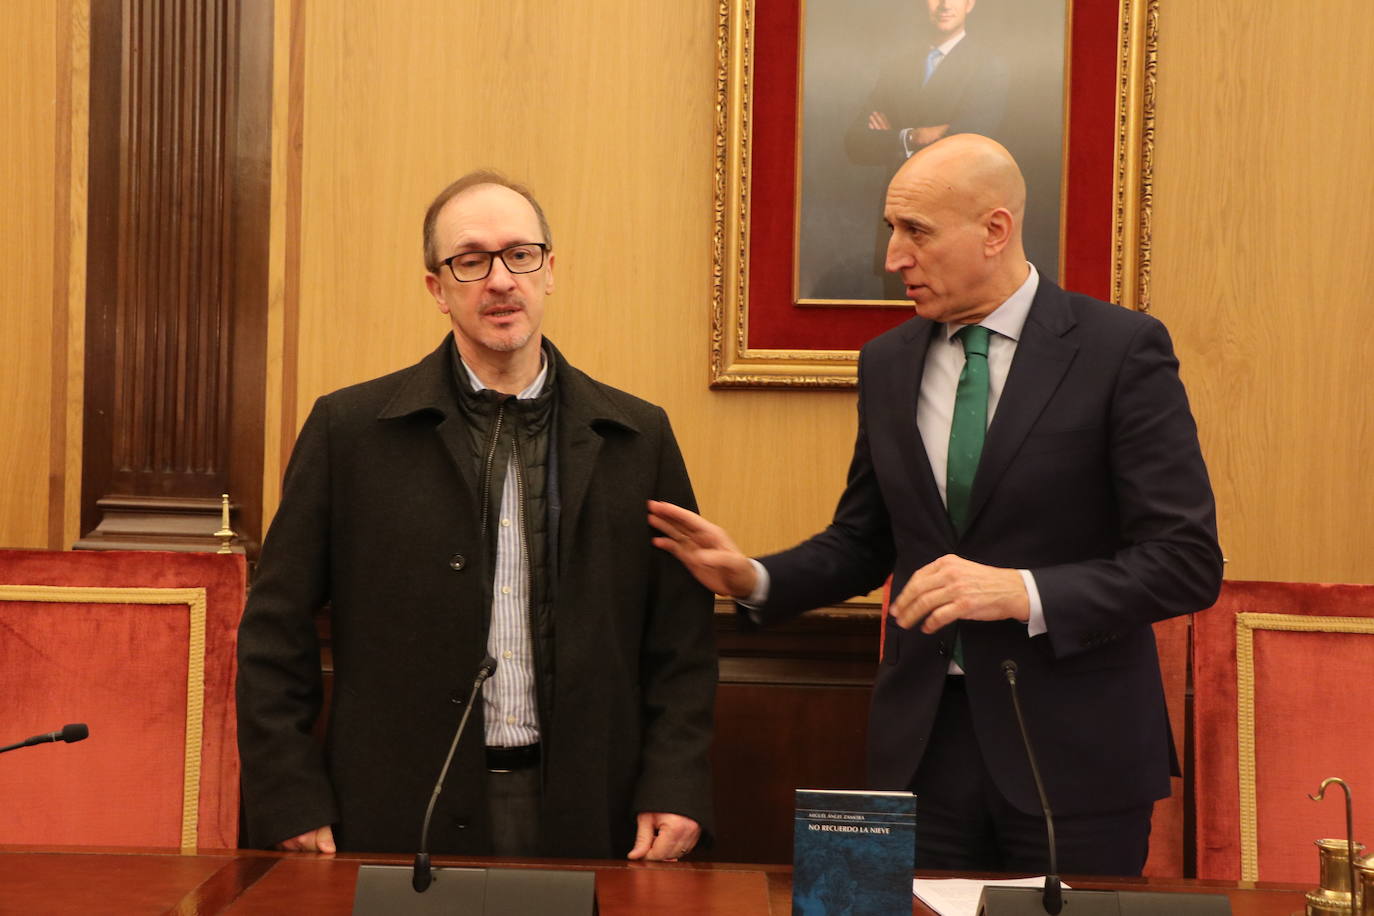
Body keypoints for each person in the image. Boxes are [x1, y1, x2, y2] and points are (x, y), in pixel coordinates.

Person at [649, 135, 1222, 875]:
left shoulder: (1120, 350)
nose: (893, 258)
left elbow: (1184, 563)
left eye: (916, 231)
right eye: (891, 230)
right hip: (922, 752)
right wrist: (754, 578)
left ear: (994, 231)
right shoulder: (887, 362)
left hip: (1075, 757)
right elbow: (865, 539)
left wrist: (1017, 591)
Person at [237, 171, 716, 862]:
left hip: (589, 810)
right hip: (396, 811)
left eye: (520, 254)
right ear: (437, 287)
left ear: (550, 271)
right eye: (471, 260)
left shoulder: (637, 437)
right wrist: (289, 794)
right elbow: (274, 635)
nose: (500, 280)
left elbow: (682, 644)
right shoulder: (350, 433)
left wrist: (677, 782)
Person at [847, 0, 1008, 168]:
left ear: (970, 4)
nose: (945, 4)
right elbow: (855, 142)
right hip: (896, 192)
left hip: (951, 192)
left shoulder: (988, 67)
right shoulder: (898, 67)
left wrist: (892, 138)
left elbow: (969, 144)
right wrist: (911, 137)